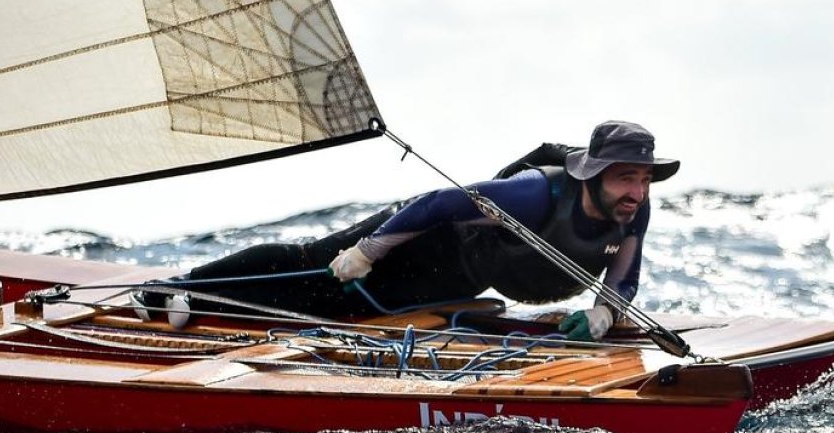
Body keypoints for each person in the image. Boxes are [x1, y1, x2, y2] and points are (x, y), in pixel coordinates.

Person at [134, 120, 679, 342]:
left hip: (454, 275)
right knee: (319, 261)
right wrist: (367, 251)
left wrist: (605, 313)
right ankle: (183, 285)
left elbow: (622, 279)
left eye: (644, 179)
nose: (637, 190)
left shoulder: (634, 210)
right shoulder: (538, 192)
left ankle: (227, 313)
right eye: (625, 178)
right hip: (421, 234)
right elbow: (439, 202)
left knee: (343, 310)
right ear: (594, 175)